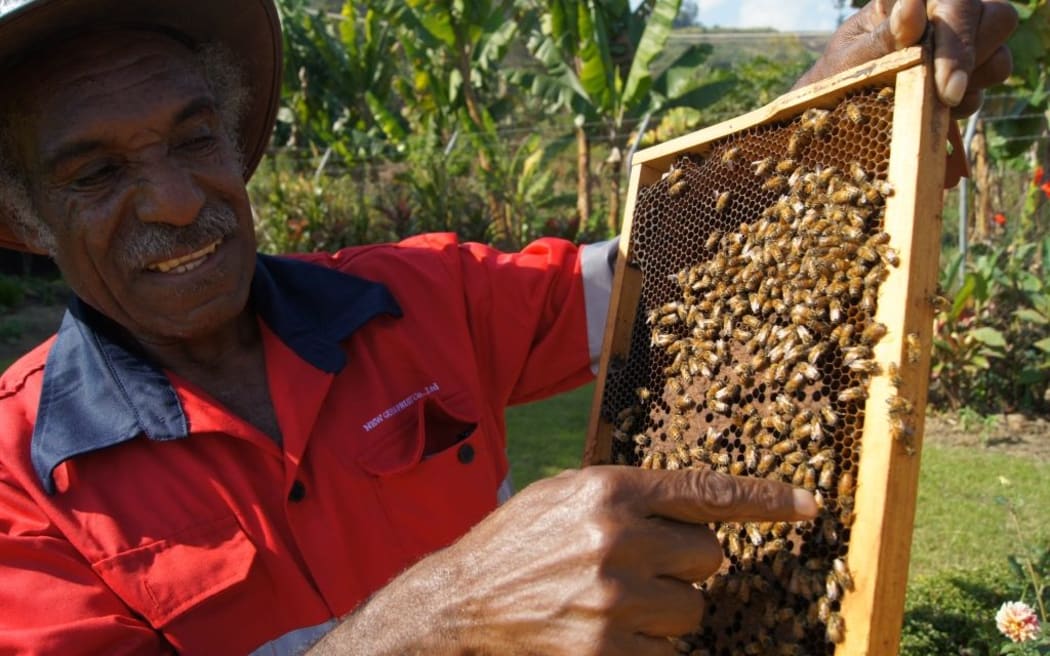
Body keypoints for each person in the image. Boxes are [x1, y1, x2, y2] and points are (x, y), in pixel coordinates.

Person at [0, 0, 1016, 653]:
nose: (176, 200)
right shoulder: (14, 480)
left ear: (237, 140)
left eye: (193, 136)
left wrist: (840, 94)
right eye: (96, 172)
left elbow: (682, 260)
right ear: (27, 219)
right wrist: (447, 612)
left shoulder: (419, 294)